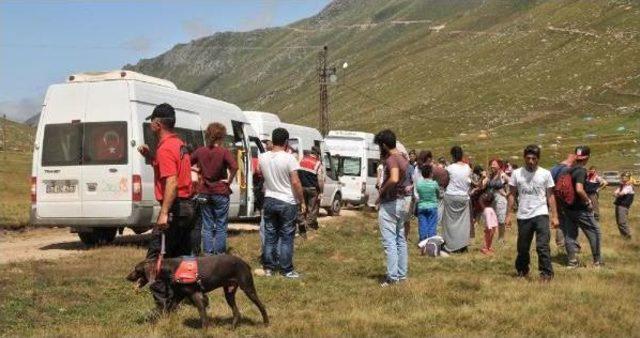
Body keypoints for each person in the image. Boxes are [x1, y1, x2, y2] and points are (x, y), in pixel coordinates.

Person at [137, 103, 195, 315]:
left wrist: (163, 213)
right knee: (180, 257)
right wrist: (150, 158)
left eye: (151, 121)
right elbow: (174, 170)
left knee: (155, 260)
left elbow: (171, 182)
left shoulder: (165, 148)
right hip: (188, 206)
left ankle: (164, 307)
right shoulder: (179, 144)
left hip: (175, 208)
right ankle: (192, 296)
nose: (150, 124)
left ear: (158, 123)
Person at [505, 145, 559, 281]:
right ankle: (522, 270)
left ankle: (546, 274)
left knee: (542, 246)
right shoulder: (516, 173)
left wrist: (555, 216)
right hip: (523, 215)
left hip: (541, 213)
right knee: (522, 247)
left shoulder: (545, 174)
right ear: (524, 158)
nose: (531, 161)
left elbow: (551, 196)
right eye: (528, 158)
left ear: (538, 159)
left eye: (534, 158)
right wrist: (508, 215)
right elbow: (511, 194)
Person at [258, 127, 306, 278]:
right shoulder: (289, 158)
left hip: (270, 198)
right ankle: (287, 269)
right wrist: (302, 201)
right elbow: (296, 182)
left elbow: (260, 173)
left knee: (270, 234)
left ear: (273, 140)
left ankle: (268, 268)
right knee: (287, 236)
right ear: (286, 142)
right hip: (287, 200)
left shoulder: (263, 157)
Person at [190, 122, 238, 255]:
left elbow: (186, 161)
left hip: (204, 191)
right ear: (221, 136)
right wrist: (229, 180)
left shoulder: (200, 151)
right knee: (221, 225)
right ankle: (220, 253)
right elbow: (234, 167)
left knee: (207, 225)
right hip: (220, 191)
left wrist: (195, 169)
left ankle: (208, 253)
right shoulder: (223, 152)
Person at [374, 129, 410, 287]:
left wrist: (382, 190)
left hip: (391, 203)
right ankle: (402, 275)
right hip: (402, 202)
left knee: (389, 242)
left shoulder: (391, 159)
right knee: (400, 240)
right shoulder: (403, 157)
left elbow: (394, 178)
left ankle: (392, 277)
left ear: (383, 145)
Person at [563, 146, 604, 268]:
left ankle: (572, 262)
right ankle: (598, 262)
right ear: (587, 157)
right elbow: (579, 190)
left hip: (568, 208)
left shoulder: (569, 169)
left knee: (570, 235)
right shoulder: (581, 171)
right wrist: (588, 202)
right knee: (595, 232)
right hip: (580, 209)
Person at [441, 146, 472, 253]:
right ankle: (462, 245)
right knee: (464, 223)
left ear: (453, 156)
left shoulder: (450, 168)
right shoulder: (467, 167)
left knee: (449, 222)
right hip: (463, 196)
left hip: (451, 195)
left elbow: (444, 181)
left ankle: (450, 245)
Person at [550, 154, 577, 250]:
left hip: (555, 196)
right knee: (569, 220)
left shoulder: (553, 169)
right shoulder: (568, 170)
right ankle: (570, 243)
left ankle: (560, 242)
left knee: (560, 219)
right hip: (566, 198)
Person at [296, 146, 324, 236]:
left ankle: (300, 226)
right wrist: (321, 191)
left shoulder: (302, 160)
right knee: (312, 209)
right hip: (312, 189)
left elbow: (297, 173)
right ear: (317, 154)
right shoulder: (318, 163)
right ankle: (308, 227)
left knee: (302, 207)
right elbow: (320, 179)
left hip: (301, 187)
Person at [414, 164, 440, 244]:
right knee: (432, 225)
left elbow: (418, 192)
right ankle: (432, 243)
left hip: (422, 206)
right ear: (430, 173)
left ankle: (423, 242)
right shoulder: (434, 183)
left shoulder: (419, 184)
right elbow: (438, 193)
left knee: (422, 225)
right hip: (432, 206)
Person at [485, 159, 510, 242]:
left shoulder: (502, 175)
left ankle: (501, 238)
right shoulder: (490, 175)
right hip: (491, 199)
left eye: (494, 164)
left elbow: (511, 182)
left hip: (500, 199)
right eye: (491, 164)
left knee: (501, 219)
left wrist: (506, 193)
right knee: (491, 219)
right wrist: (484, 177)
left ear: (499, 165)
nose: (492, 166)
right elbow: (484, 184)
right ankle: (491, 237)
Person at [614, 172, 635, 239]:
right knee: (619, 222)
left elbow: (621, 194)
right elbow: (615, 193)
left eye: (625, 177)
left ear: (628, 178)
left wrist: (617, 194)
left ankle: (628, 236)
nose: (623, 178)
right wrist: (617, 193)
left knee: (622, 222)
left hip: (623, 206)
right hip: (619, 205)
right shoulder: (622, 186)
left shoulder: (629, 186)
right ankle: (624, 237)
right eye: (622, 177)